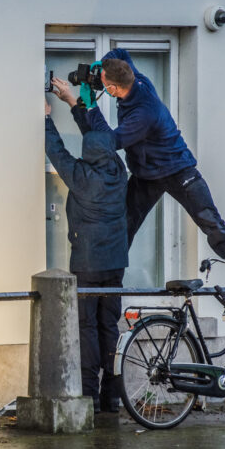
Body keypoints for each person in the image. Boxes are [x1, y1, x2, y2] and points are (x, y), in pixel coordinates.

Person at [52, 49, 225, 263]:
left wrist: (90, 106)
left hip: (178, 170)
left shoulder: (143, 114)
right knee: (122, 226)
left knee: (210, 221)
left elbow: (108, 142)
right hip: (145, 175)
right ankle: (110, 279)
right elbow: (120, 52)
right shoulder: (133, 76)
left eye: (103, 83)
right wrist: (99, 65)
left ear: (113, 88)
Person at [44, 97, 128, 413]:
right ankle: (113, 397)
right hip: (116, 263)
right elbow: (100, 138)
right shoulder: (119, 172)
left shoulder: (81, 176)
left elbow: (57, 152)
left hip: (88, 264)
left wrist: (45, 118)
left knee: (87, 327)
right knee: (110, 325)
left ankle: (91, 397)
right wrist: (81, 106)